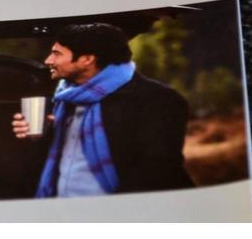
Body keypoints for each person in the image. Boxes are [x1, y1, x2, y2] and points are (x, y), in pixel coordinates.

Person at [12, 22, 193, 197]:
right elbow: (55, 162)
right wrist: (41, 136)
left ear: (87, 59)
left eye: (57, 54)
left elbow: (155, 173)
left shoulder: (157, 100)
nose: (48, 60)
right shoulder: (63, 98)